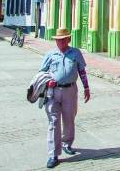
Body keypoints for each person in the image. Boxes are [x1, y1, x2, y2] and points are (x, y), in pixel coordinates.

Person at [39, 28, 90, 168]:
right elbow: (41, 73)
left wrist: (86, 88)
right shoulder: (50, 54)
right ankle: (53, 154)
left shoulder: (76, 53)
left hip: (70, 90)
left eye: (63, 39)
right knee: (53, 122)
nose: (60, 42)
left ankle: (67, 143)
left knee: (69, 119)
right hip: (52, 92)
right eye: (57, 40)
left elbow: (82, 71)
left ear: (68, 40)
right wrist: (46, 81)